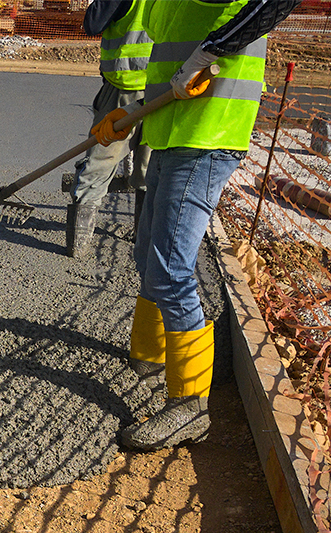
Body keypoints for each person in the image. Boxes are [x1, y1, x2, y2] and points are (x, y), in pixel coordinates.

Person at [90, 0, 301, 450]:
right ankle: (149, 359)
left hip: (208, 135)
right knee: (146, 254)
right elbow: (164, 63)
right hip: (169, 131)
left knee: (170, 268)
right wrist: (129, 116)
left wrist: (208, 53)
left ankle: (190, 407)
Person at [65, 0, 152, 257]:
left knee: (99, 164)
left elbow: (93, 23)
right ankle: (144, 240)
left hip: (126, 91)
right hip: (166, 89)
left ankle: (78, 246)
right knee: (151, 171)